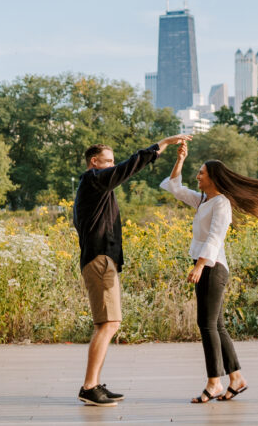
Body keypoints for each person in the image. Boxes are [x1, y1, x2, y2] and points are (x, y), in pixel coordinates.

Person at [160, 141, 258, 404]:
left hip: (213, 268)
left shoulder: (221, 204)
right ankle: (236, 378)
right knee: (216, 325)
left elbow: (215, 238)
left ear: (213, 177)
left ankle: (214, 382)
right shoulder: (204, 199)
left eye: (202, 172)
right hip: (208, 267)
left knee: (206, 324)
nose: (198, 176)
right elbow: (175, 188)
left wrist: (200, 265)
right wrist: (180, 158)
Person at [74, 133, 192, 407]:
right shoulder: (93, 180)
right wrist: (162, 145)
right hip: (100, 260)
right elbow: (130, 166)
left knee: (107, 324)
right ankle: (89, 387)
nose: (114, 166)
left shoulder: (95, 187)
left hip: (102, 260)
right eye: (109, 161)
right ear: (95, 162)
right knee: (108, 324)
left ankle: (94, 384)